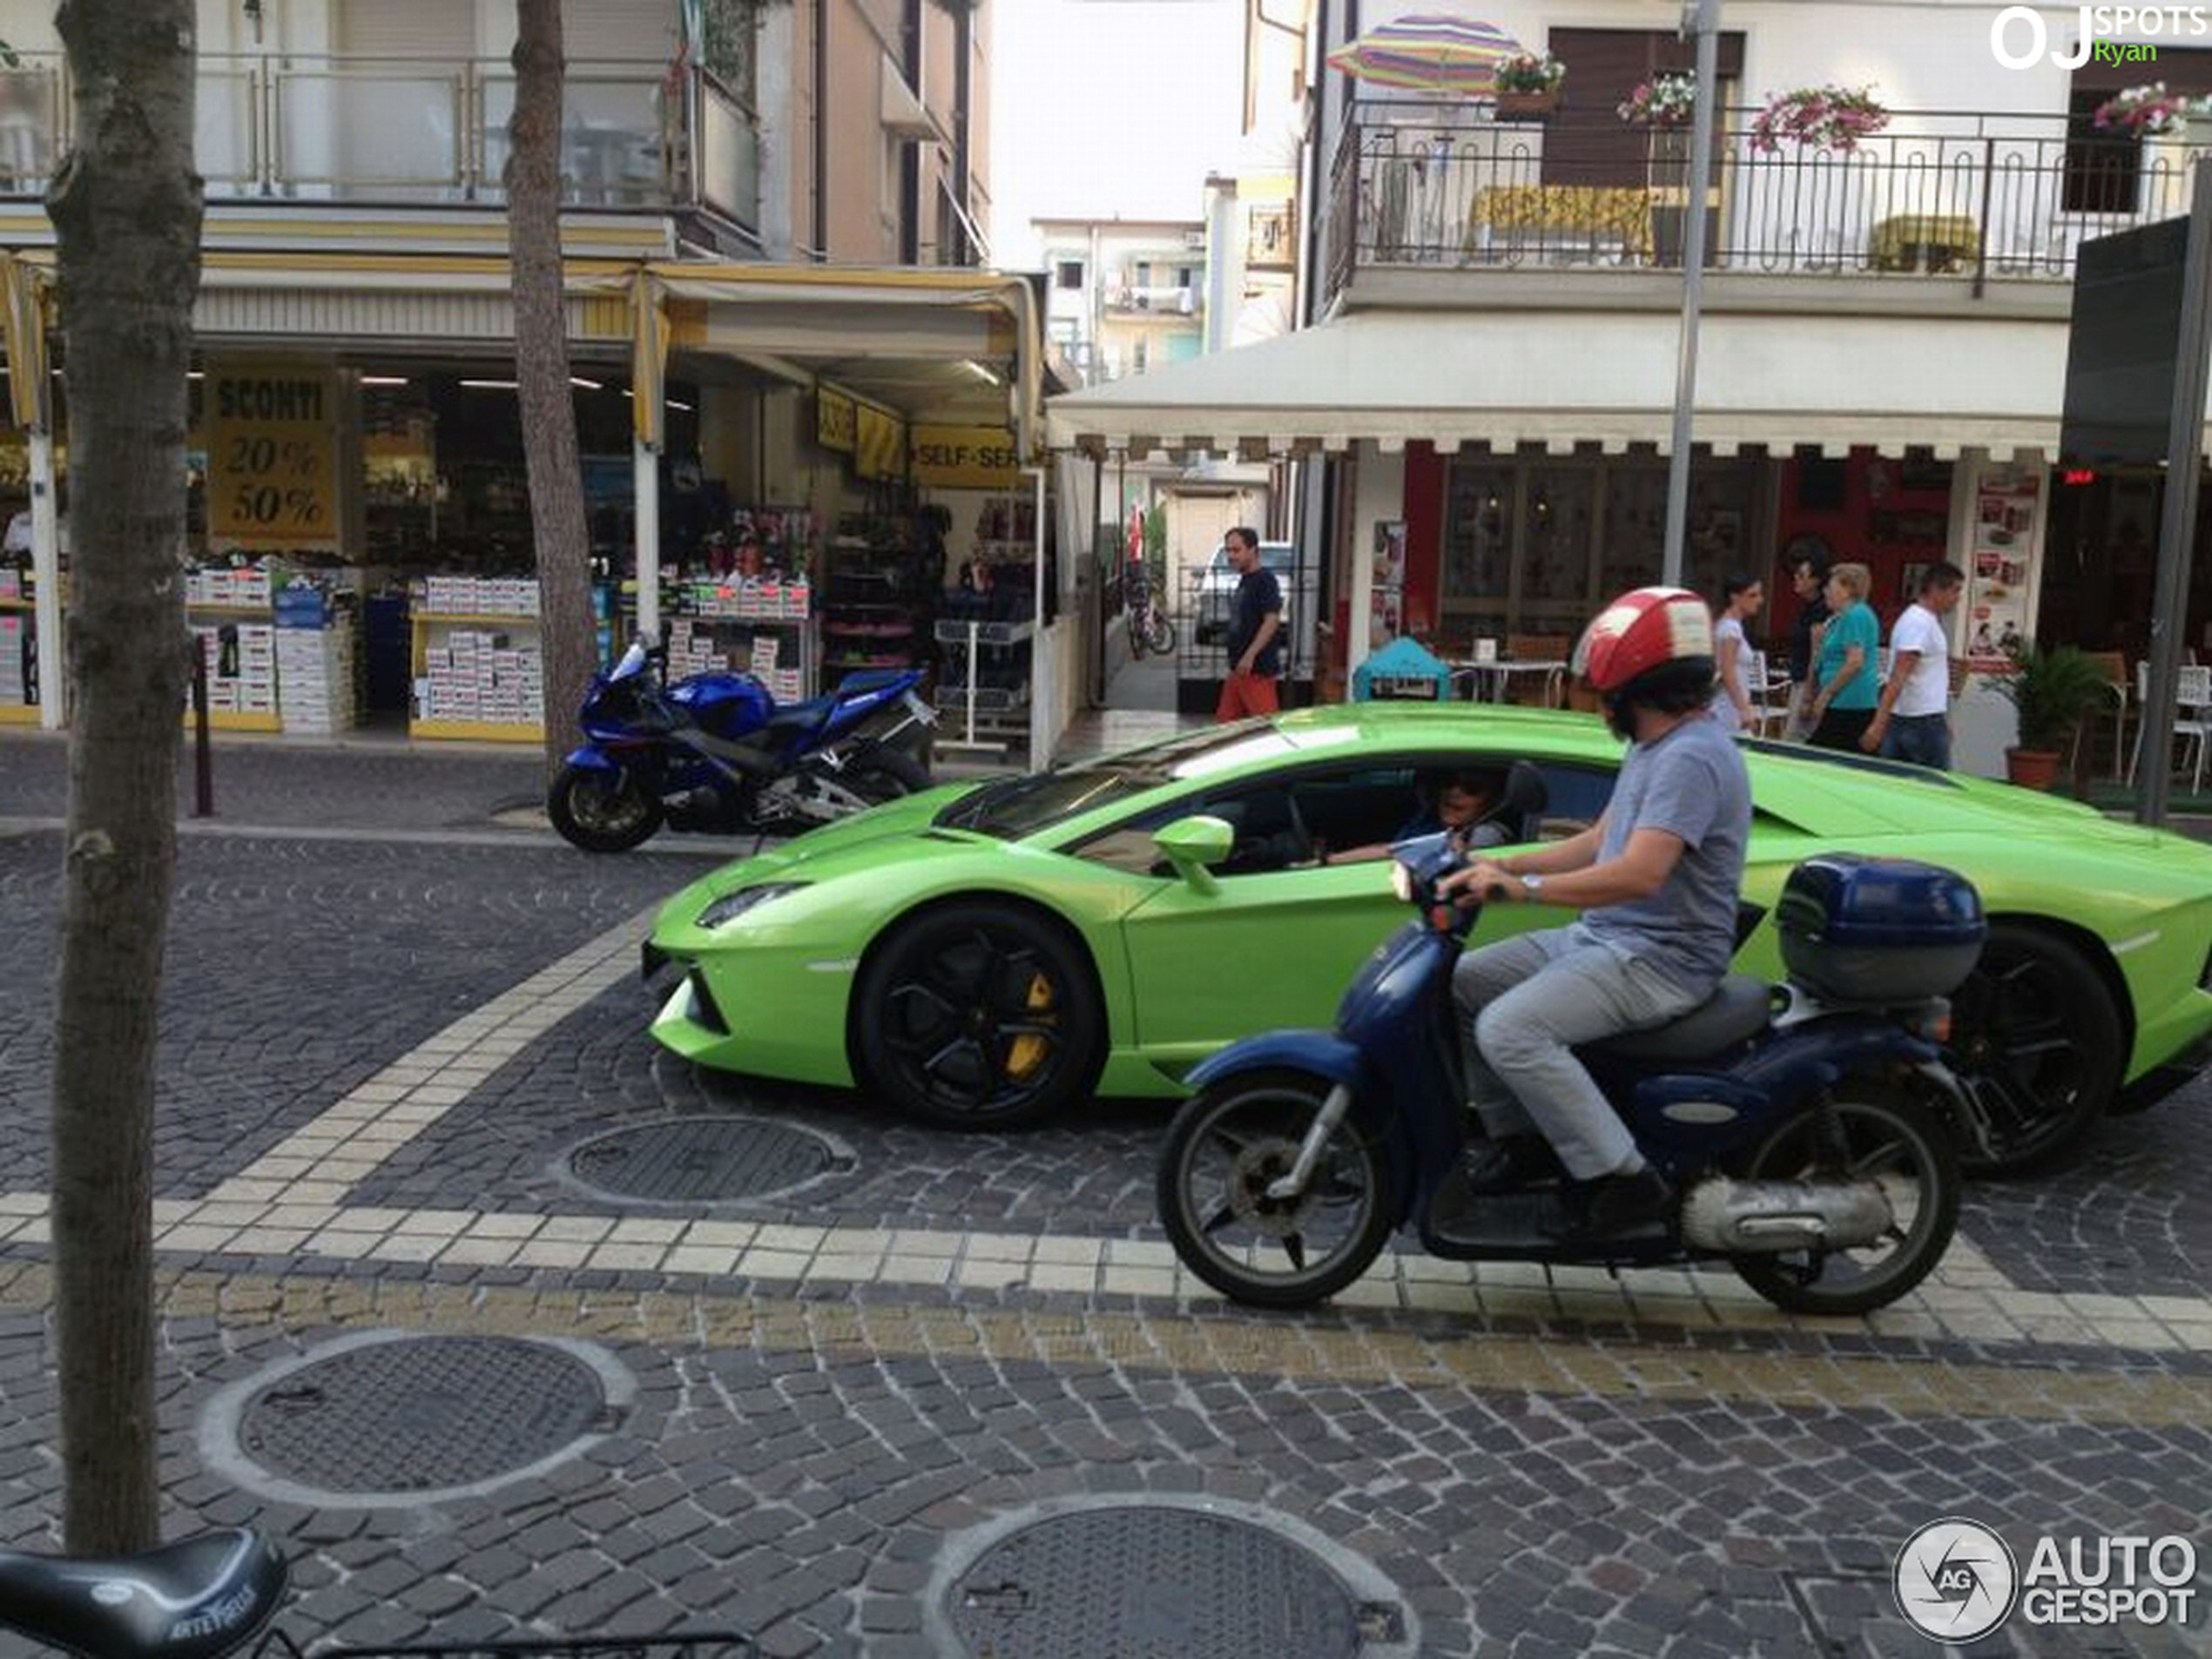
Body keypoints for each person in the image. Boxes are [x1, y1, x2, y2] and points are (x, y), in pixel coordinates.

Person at [1442, 588, 1752, 1244]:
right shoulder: (1654, 748)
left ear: (1640, 688)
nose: (1600, 703)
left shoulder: (1694, 756)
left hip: (1660, 959)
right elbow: (1596, 842)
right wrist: (1493, 863)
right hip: (1609, 940)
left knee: (1510, 1029)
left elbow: (1639, 873)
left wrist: (1518, 890)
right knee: (1465, 982)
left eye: (1608, 692)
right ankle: (1526, 1140)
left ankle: (1626, 1181)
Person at [1863, 561, 1965, 767]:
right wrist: (1878, 725)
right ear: (1936, 589)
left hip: (1919, 716)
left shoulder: (1921, 620)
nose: (1957, 598)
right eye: (1955, 591)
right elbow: (1899, 675)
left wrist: (1941, 718)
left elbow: (1925, 676)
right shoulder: (1919, 624)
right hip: (1920, 721)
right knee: (1933, 788)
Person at [1322, 767, 1509, 865]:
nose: (1454, 792)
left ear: (1493, 801)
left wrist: (1327, 861)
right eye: (1448, 782)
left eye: (1472, 788)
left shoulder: (1485, 835)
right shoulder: (1428, 814)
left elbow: (1396, 852)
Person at [1806, 562, 1880, 752]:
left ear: (1847, 589)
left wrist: (1826, 693)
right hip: (1844, 702)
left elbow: (1855, 661)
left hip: (1849, 702)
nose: (1825, 592)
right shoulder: (1840, 618)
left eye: (1831, 587)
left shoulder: (1855, 615)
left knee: (1819, 755)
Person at [1215, 526, 1284, 722]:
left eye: (1236, 550)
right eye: (1228, 550)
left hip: (1256, 670)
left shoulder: (1265, 581)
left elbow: (1272, 619)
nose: (1231, 556)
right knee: (1226, 726)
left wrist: (1250, 655)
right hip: (1239, 670)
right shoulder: (1246, 580)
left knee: (1265, 729)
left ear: (1252, 550)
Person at [1784, 550, 1831, 739]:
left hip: (1808, 683)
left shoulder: (1820, 611)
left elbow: (1816, 653)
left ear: (1816, 581)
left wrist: (1809, 695)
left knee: (1794, 738)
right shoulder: (1807, 608)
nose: (1796, 578)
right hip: (1798, 680)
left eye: (1802, 575)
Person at [1710, 574, 1764, 733]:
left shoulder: (1727, 626)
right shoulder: (1731, 629)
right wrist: (1744, 709)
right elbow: (1728, 672)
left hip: (1728, 704)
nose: (1759, 600)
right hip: (1728, 707)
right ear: (1735, 597)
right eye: (1752, 595)